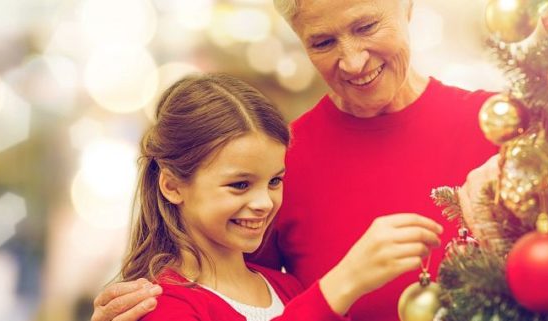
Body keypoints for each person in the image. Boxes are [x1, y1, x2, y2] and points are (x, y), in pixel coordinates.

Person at [91, 1, 501, 320]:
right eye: (322, 42)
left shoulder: (504, 129)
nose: (354, 61)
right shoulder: (279, 161)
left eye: (366, 26)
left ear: (407, 7)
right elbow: (225, 290)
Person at [116, 73, 443, 321]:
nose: (264, 202)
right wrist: (341, 284)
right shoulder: (161, 305)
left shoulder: (286, 289)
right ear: (172, 186)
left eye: (274, 181)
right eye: (240, 185)